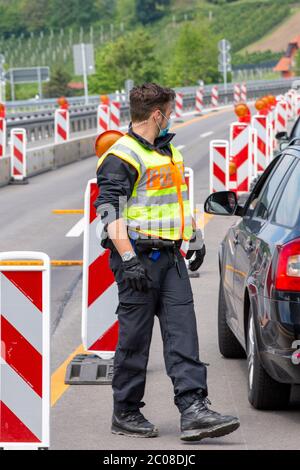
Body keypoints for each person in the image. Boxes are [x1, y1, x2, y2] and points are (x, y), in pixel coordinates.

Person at [94, 82, 240, 442]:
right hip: (137, 259)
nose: (171, 116)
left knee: (183, 334)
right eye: (169, 111)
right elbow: (109, 211)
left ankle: (194, 410)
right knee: (135, 339)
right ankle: (125, 412)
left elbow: (178, 198)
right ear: (156, 114)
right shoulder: (121, 156)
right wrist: (128, 259)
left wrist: (196, 237)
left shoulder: (167, 150)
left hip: (170, 257)